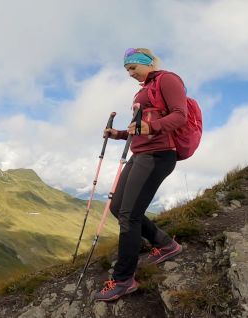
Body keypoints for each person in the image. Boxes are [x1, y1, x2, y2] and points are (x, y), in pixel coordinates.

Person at [94, 48, 187, 302]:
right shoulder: (142, 89)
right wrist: (121, 135)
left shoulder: (168, 79)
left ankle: (124, 280)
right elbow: (140, 128)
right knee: (117, 208)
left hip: (158, 156)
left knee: (128, 216)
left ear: (146, 63)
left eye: (133, 68)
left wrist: (152, 126)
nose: (130, 73)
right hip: (140, 155)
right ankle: (166, 244)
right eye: (127, 70)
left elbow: (180, 115)